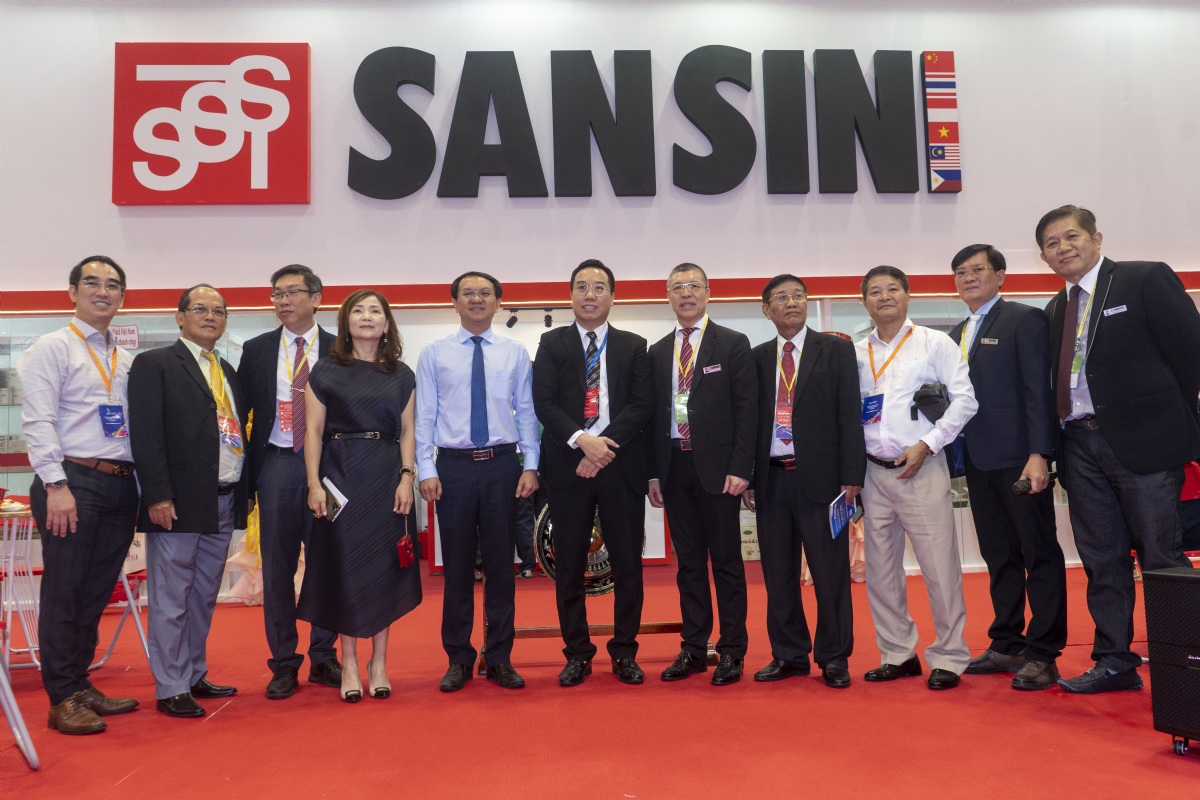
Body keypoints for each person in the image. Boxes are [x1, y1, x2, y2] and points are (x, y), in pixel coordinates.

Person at [1038, 204, 1200, 693]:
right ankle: (1114, 662)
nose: (1063, 248)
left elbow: (1190, 353)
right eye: (1051, 243)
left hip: (1144, 443)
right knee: (1102, 561)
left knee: (1161, 557)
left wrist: (1174, 423)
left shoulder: (1143, 279)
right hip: (1078, 445)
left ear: (1097, 237)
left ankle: (1183, 668)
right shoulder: (1055, 309)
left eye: (1071, 236)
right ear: (1043, 257)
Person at [18, 256, 140, 735]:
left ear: (122, 297)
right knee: (65, 590)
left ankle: (79, 683)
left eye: (113, 285)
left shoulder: (124, 358)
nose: (102, 291)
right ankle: (61, 698)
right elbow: (38, 420)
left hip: (120, 483)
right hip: (72, 481)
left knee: (95, 592)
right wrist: (55, 485)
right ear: (72, 292)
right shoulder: (52, 348)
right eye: (92, 282)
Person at [948, 245, 1068, 691]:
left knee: (1039, 553)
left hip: (1020, 459)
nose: (968, 277)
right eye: (961, 272)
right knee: (998, 555)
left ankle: (1043, 653)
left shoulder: (1023, 318)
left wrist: (1040, 453)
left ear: (1000, 275)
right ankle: (1007, 642)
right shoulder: (957, 332)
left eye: (977, 269)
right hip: (977, 460)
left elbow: (1039, 389)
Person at [854, 266, 977, 690]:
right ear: (865, 302)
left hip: (922, 468)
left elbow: (965, 401)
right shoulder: (855, 352)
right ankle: (897, 653)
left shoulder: (934, 343)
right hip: (872, 472)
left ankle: (950, 656)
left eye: (892, 289)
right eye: (874, 291)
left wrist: (927, 444)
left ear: (908, 295)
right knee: (880, 572)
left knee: (939, 568)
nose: (884, 296)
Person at [416, 272, 540, 692]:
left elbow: (527, 412)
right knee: (457, 569)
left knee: (502, 569)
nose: (476, 299)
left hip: (503, 466)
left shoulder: (514, 352)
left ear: (498, 302)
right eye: (467, 293)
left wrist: (531, 464)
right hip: (453, 468)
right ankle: (458, 659)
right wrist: (426, 469)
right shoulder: (434, 353)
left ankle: (500, 657)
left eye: (485, 293)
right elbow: (425, 415)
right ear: (454, 303)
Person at [296, 290, 422, 703]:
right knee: (345, 567)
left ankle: (379, 662)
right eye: (358, 311)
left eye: (375, 311)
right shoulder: (324, 370)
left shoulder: (401, 374)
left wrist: (407, 477)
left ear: (386, 323)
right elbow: (313, 431)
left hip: (386, 477)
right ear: (346, 322)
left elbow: (408, 431)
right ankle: (349, 660)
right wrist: (314, 484)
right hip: (338, 477)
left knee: (384, 569)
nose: (367, 317)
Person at [532, 258, 653, 686]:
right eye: (582, 287)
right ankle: (577, 653)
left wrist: (601, 447)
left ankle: (625, 652)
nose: (590, 295)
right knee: (568, 566)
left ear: (612, 296)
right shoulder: (551, 343)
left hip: (620, 467)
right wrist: (582, 440)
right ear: (570, 295)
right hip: (569, 469)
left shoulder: (634, 345)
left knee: (627, 565)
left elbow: (641, 405)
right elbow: (544, 402)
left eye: (599, 287)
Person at [128, 285, 247, 718]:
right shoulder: (154, 363)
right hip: (177, 502)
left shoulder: (226, 369)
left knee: (202, 596)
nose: (210, 316)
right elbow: (146, 435)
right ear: (180, 317)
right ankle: (171, 686)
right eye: (200, 309)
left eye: (219, 311)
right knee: (171, 597)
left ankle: (194, 673)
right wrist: (158, 494)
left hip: (223, 498)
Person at [742, 274, 864, 689]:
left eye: (798, 295)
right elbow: (749, 423)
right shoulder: (756, 358)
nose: (791, 302)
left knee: (830, 574)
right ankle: (789, 654)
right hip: (772, 481)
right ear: (767, 310)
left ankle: (834, 656)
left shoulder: (836, 350)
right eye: (781, 297)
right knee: (778, 575)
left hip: (825, 483)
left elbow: (850, 414)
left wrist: (852, 475)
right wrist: (750, 478)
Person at [647, 263, 757, 685]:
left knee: (727, 564)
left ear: (708, 293)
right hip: (675, 468)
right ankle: (693, 648)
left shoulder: (732, 343)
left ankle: (731, 651)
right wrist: (653, 474)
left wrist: (741, 468)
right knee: (689, 565)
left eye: (694, 285)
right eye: (678, 287)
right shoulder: (657, 351)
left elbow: (747, 410)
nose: (686, 293)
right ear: (668, 296)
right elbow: (652, 418)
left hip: (720, 471)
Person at [237, 264, 342, 700]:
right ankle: (283, 661)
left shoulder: (341, 348)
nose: (283, 301)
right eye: (276, 294)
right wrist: (245, 482)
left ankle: (324, 656)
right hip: (277, 465)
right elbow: (241, 412)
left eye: (292, 292)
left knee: (327, 562)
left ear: (316, 298)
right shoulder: (257, 349)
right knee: (277, 567)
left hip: (330, 470)